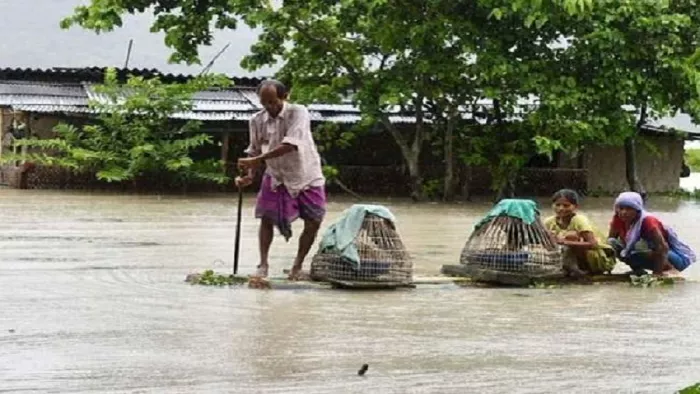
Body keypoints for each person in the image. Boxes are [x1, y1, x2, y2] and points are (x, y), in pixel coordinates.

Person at [236, 80, 326, 280]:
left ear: (285, 97)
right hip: (276, 175)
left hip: (306, 174)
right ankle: (263, 264)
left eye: (273, 102)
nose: (269, 107)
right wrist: (248, 176)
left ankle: (297, 266)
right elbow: (254, 149)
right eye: (264, 103)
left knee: (314, 221)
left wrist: (257, 160)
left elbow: (291, 144)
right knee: (266, 218)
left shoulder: (298, 112)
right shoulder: (256, 120)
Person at [608, 191, 696, 276]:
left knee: (639, 245)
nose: (623, 212)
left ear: (637, 210)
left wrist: (657, 274)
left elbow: (662, 248)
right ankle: (638, 271)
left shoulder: (647, 221)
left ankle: (669, 270)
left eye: (629, 208)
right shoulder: (618, 218)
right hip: (649, 255)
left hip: (673, 258)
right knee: (612, 243)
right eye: (621, 208)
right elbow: (610, 246)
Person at [544, 189, 616, 277]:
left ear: (575, 207)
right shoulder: (549, 222)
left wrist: (564, 242)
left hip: (599, 257)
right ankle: (567, 267)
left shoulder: (579, 220)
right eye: (557, 205)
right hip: (570, 257)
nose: (561, 209)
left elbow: (593, 244)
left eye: (566, 205)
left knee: (571, 236)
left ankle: (581, 270)